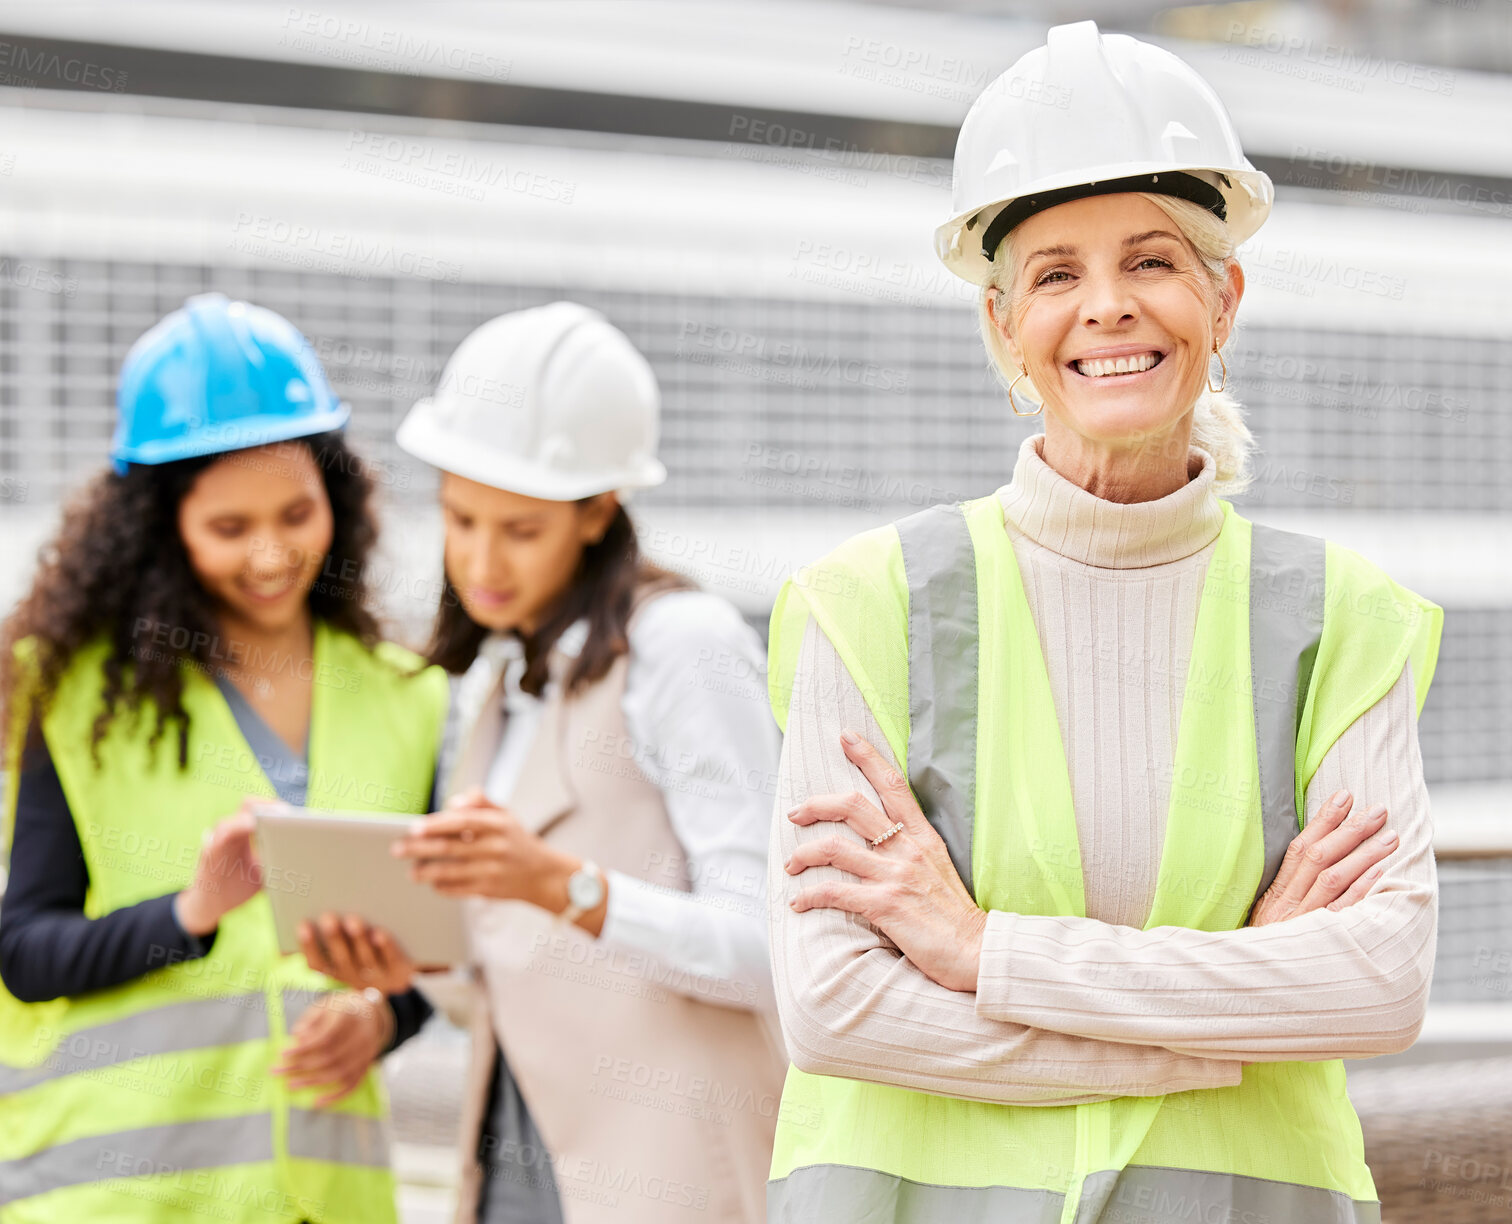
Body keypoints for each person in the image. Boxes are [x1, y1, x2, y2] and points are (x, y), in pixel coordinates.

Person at [764, 23, 1443, 1224]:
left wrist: (985, 955)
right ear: (1001, 326)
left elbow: (1378, 983)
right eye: (1057, 274)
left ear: (1223, 299)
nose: (1109, 308)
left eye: (1153, 262)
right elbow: (835, 1007)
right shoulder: (864, 604)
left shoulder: (1344, 618)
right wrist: (1232, 1013)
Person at [0, 293, 450, 1223]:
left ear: (336, 500)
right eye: (229, 528)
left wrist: (384, 1018)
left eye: (297, 514)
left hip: (324, 1197)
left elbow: (438, 950)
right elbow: (28, 953)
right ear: (160, 529)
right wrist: (190, 913)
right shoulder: (74, 697)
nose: (272, 554)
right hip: (125, 1196)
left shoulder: (406, 697)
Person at [299, 301, 788, 1224]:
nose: (481, 560)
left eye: (519, 530)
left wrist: (566, 886)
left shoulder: (683, 645)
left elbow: (765, 951)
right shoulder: (504, 685)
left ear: (600, 509)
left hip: (671, 1169)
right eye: (460, 518)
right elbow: (511, 963)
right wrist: (390, 976)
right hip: (520, 1151)